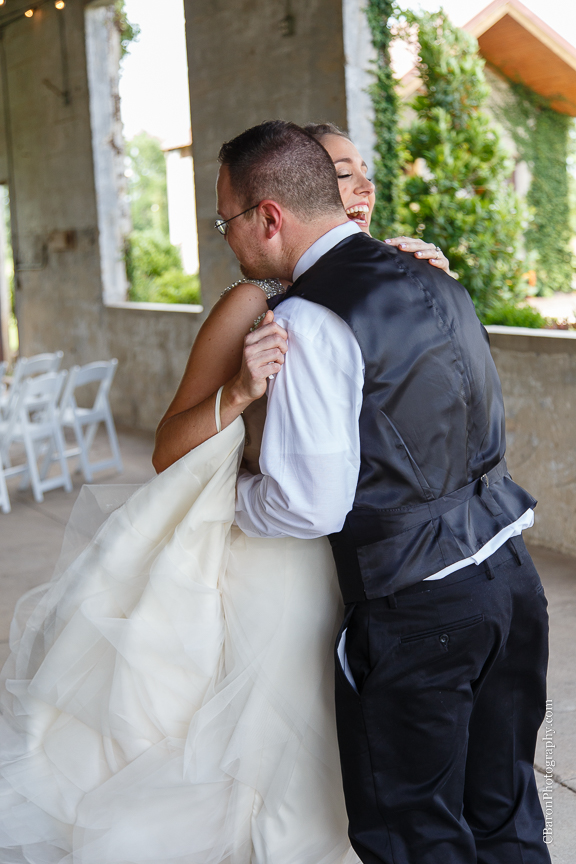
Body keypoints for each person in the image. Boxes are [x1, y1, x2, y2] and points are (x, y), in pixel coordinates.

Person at [0, 127, 449, 863]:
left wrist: (439, 281)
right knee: (269, 749)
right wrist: (241, 390)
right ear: (297, 196)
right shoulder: (252, 301)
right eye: (343, 172)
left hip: (365, 560)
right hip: (278, 561)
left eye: (366, 173)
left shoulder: (392, 285)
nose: (361, 188)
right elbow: (165, 448)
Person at [217, 120, 550, 864]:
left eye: (226, 222)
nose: (228, 241)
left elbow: (309, 504)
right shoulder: (434, 273)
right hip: (511, 582)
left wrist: (231, 498)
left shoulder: (308, 319)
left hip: (421, 608)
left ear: (268, 217)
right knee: (504, 817)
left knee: (414, 838)